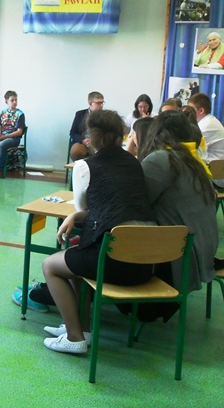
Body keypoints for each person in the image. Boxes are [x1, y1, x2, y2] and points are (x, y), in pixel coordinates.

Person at [42, 110, 157, 354]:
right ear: (120, 136)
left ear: (91, 138)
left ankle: (74, 337)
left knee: (50, 265)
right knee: (75, 259)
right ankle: (81, 329)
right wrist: (78, 216)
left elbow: (84, 208)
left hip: (114, 260)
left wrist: (75, 215)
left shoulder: (84, 166)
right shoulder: (134, 163)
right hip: (147, 262)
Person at [138, 111, 218, 294]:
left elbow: (137, 203)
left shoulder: (160, 159)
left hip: (179, 258)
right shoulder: (192, 160)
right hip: (203, 249)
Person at [0, 90, 26, 178]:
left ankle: (0, 169)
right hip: (3, 136)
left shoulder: (20, 114)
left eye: (16, 100)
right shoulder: (3, 112)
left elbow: (19, 132)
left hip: (14, 138)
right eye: (12, 100)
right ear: (6, 101)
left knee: (1, 145)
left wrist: (5, 137)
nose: (15, 102)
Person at [188, 92, 224, 186]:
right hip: (214, 171)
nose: (189, 113)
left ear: (201, 110)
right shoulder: (209, 121)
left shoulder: (205, 126)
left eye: (191, 110)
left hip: (216, 176)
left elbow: (192, 149)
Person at [69, 91, 104, 161]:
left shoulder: (105, 116)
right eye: (98, 103)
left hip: (99, 144)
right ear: (90, 103)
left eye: (102, 103)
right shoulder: (80, 114)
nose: (101, 105)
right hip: (83, 142)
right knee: (76, 151)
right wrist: (83, 140)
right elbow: (73, 133)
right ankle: (80, 167)